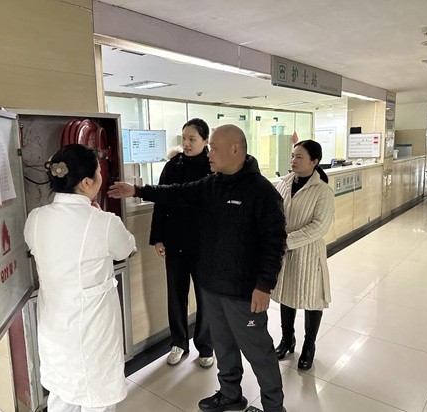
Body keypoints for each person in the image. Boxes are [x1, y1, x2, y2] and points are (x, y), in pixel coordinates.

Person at [109, 124, 287, 412]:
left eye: (214, 147)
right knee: (223, 346)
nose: (209, 153)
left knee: (259, 352)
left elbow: (275, 242)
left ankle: (274, 407)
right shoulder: (211, 185)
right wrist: (138, 190)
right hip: (212, 285)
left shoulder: (262, 192)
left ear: (235, 149)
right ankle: (230, 395)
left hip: (243, 291)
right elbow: (176, 193)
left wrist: (264, 285)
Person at [24, 144, 136, 412]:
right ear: (86, 183)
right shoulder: (104, 222)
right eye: (99, 172)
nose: (101, 177)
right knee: (97, 398)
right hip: (93, 330)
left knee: (62, 395)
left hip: (54, 326)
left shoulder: (36, 218)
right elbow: (126, 249)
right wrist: (96, 214)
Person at [149, 118, 214, 367]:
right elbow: (161, 202)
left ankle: (206, 346)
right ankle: (178, 342)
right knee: (175, 295)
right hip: (175, 240)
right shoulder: (172, 166)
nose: (186, 143)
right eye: (184, 138)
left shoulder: (213, 166)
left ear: (205, 141)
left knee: (205, 296)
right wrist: (158, 238)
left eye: (192, 139)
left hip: (204, 244)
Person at [272, 140, 335, 371]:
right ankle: (287, 339)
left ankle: (309, 345)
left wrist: (285, 241)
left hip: (308, 252)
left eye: (299, 157)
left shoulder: (323, 191)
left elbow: (319, 226)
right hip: (285, 253)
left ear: (314, 162)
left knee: (312, 298)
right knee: (286, 295)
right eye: (292, 156)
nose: (293, 160)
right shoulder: (284, 183)